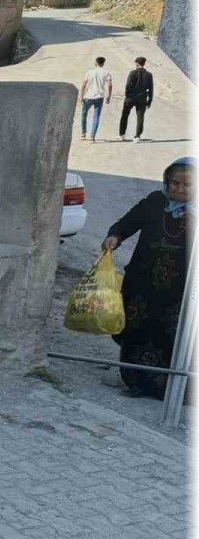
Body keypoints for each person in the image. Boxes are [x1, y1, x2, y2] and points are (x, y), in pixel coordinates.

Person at [102, 157, 193, 399]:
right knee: (138, 332)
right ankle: (137, 383)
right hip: (143, 285)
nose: (179, 189)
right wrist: (115, 237)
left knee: (176, 337)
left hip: (182, 291)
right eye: (174, 183)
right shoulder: (155, 202)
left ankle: (176, 393)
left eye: (187, 185)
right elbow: (127, 223)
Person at [120, 56, 154, 142]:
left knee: (125, 115)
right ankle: (137, 136)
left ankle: (122, 135)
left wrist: (127, 95)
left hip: (131, 98)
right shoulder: (149, 74)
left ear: (137, 63)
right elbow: (151, 88)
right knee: (140, 117)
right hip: (142, 98)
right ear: (144, 64)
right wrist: (149, 100)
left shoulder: (133, 73)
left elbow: (128, 85)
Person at [79, 56, 112, 143]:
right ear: (103, 64)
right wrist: (108, 96)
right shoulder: (106, 72)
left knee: (84, 114)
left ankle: (83, 134)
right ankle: (92, 137)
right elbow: (109, 85)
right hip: (99, 97)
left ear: (95, 63)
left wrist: (81, 97)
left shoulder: (89, 72)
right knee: (96, 116)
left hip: (88, 96)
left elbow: (83, 85)